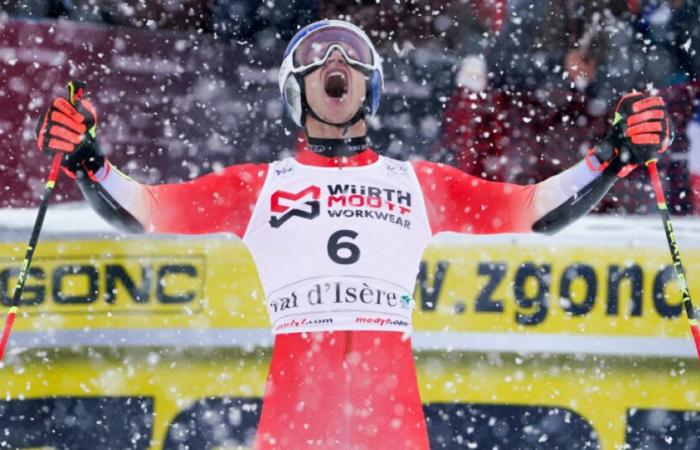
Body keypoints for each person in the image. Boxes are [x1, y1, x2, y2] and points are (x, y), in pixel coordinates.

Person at [35, 19, 673, 449]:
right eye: (317, 58)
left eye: (350, 57)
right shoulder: (259, 185)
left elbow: (536, 210)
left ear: (370, 85)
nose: (335, 62)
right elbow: (142, 210)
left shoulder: (417, 182)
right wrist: (89, 161)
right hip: (296, 422)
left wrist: (610, 158)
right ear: (296, 88)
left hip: (390, 424)